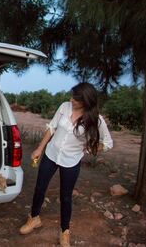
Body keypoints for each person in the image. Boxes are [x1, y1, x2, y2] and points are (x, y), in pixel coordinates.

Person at [19, 82, 113, 247]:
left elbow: (108, 143)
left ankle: (64, 231)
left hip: (71, 160)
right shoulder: (64, 107)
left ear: (85, 100)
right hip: (51, 154)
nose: (71, 100)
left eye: (76, 98)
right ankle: (34, 218)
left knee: (66, 196)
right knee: (40, 187)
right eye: (72, 96)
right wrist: (39, 148)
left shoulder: (96, 119)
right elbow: (52, 127)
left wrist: (91, 147)